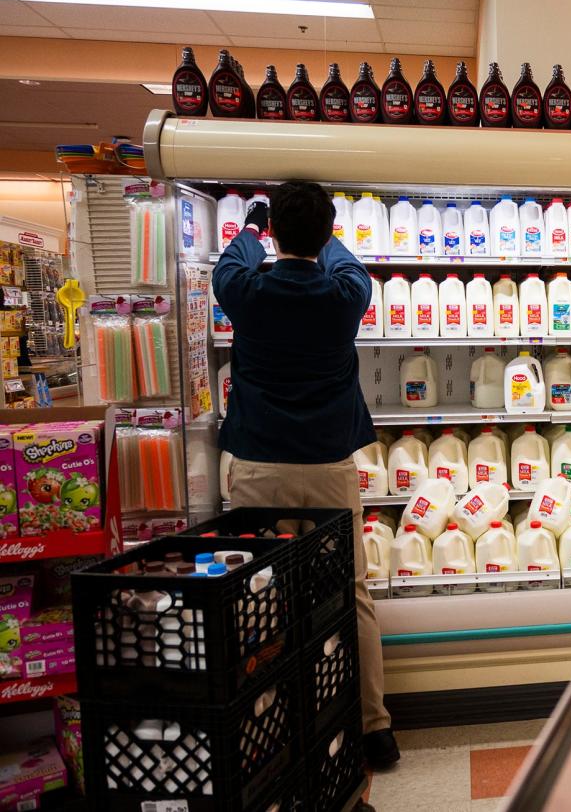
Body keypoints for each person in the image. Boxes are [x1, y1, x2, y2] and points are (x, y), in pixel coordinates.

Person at [213, 181, 399, 771]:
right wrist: (323, 231)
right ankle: (374, 728)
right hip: (328, 463)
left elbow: (232, 259)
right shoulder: (345, 294)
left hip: (258, 466)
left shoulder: (245, 291)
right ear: (324, 237)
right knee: (352, 591)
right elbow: (345, 259)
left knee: (257, 593)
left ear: (276, 238)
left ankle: (263, 730)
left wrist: (253, 225)